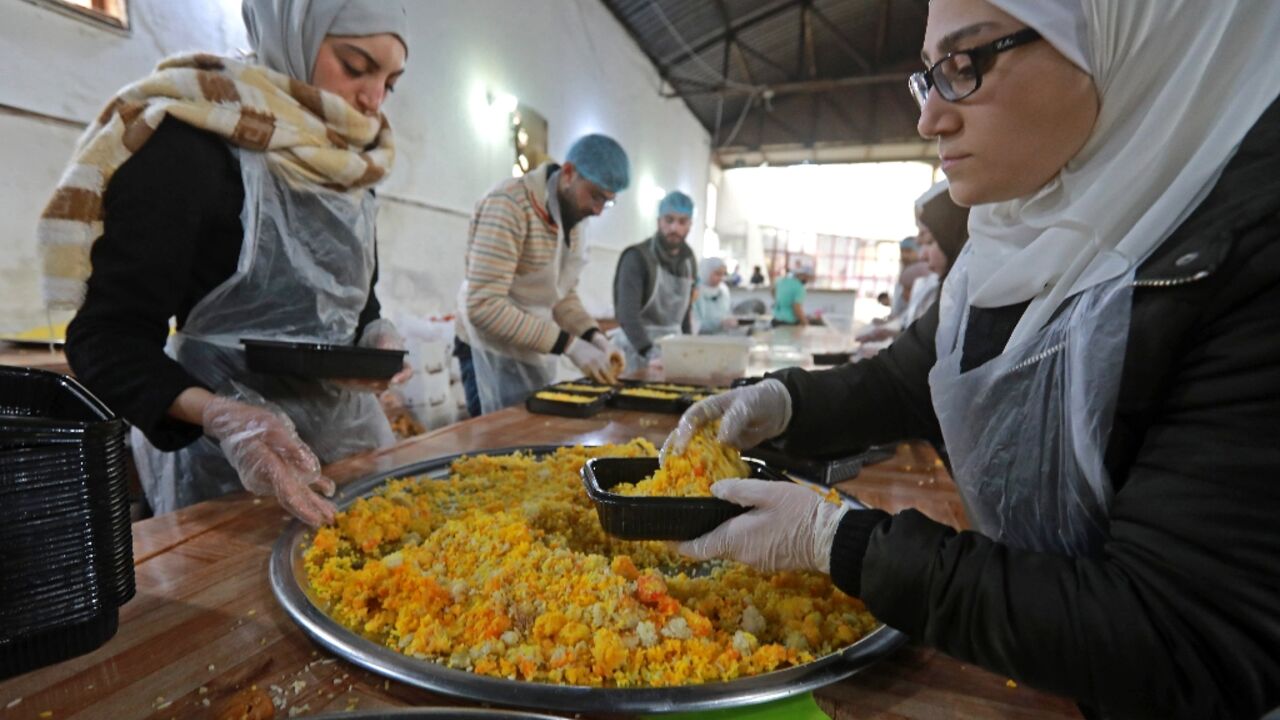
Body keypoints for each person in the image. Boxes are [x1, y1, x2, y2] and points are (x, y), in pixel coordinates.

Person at [662, 1, 1280, 717]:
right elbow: (913, 377)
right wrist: (786, 402)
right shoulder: (1022, 230)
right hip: (1055, 665)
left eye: (967, 63)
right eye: (929, 77)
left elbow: (1179, 632)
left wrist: (841, 541)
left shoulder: (1250, 259)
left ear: (1116, 41)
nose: (929, 120)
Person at [47, 0, 414, 526]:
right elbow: (107, 338)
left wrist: (375, 335)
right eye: (356, 67)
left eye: (391, 82)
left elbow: (353, 300)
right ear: (293, 37)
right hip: (223, 466)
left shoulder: (349, 173)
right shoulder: (192, 146)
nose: (373, 98)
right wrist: (223, 418)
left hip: (346, 444)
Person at [454, 134, 626, 416]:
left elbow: (561, 295)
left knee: (531, 439)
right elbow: (483, 306)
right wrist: (570, 345)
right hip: (489, 350)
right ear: (568, 173)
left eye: (607, 202)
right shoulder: (509, 205)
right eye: (595, 195)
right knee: (496, 442)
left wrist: (594, 337)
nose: (597, 210)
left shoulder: (572, 220)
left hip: (533, 346)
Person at [860, 180, 970, 341]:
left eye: (929, 241)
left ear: (952, 238)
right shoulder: (948, 288)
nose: (922, 256)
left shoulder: (970, 297)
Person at [610, 190, 698, 371]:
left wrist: (690, 347)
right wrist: (649, 352)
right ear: (659, 221)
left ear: (690, 225)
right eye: (669, 220)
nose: (674, 228)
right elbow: (627, 315)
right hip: (635, 353)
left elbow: (685, 313)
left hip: (672, 352)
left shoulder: (689, 262)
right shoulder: (637, 258)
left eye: (682, 222)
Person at [692, 257, 734, 335]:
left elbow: (727, 313)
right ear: (706, 272)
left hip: (722, 338)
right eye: (717, 274)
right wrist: (718, 323)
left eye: (723, 274)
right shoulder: (695, 291)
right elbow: (694, 324)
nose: (721, 278)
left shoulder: (723, 291)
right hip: (700, 340)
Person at [770, 261, 812, 326]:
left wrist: (780, 300)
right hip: (789, 324)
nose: (808, 280)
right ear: (803, 275)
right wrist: (805, 323)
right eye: (808, 277)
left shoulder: (781, 281)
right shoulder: (799, 288)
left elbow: (772, 290)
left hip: (776, 320)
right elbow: (796, 308)